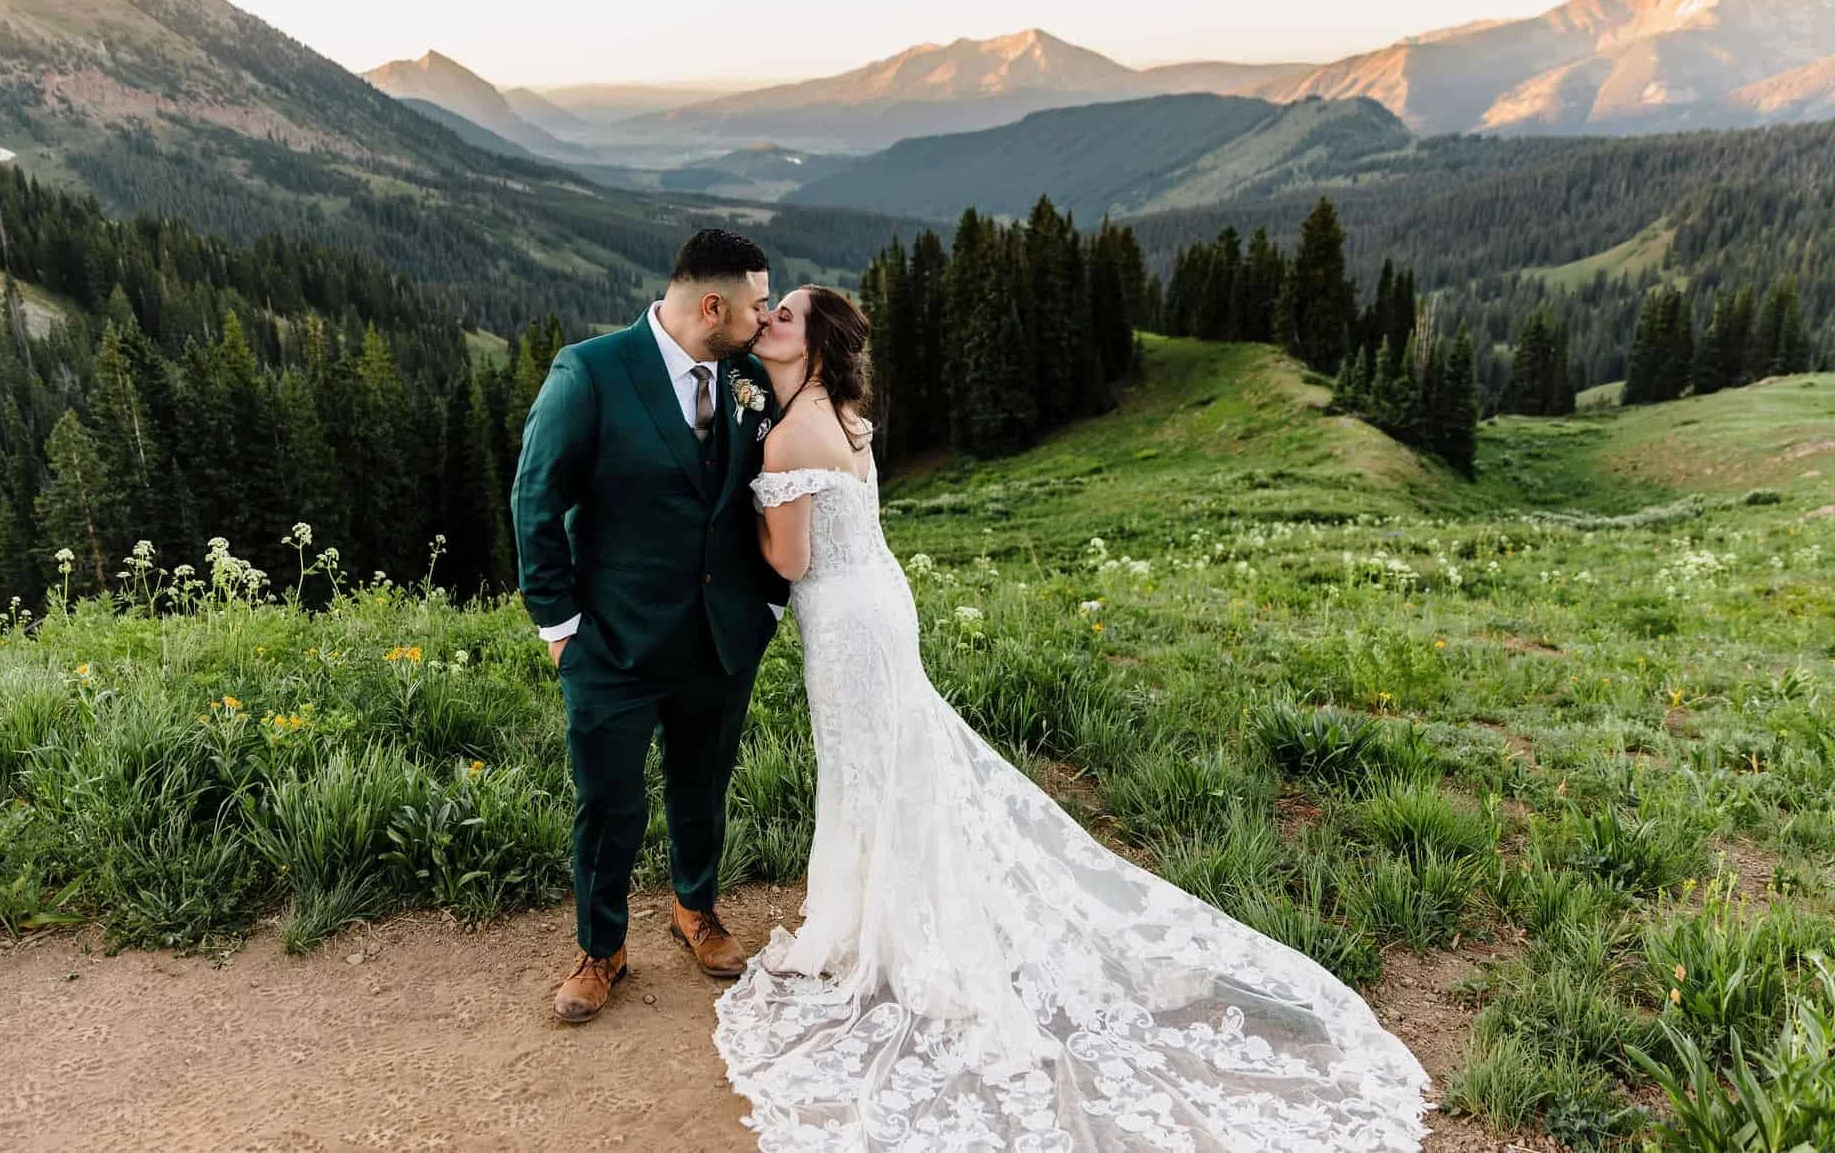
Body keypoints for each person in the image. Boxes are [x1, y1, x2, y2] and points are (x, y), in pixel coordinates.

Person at [713, 284, 1431, 1150]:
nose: (768, 321)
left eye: (785, 314)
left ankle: (877, 921)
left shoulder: (790, 433)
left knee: (866, 761)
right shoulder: (849, 420)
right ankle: (883, 907)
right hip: (880, 605)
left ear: (817, 347)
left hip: (843, 619)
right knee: (895, 761)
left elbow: (790, 559)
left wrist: (737, 515)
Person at [510, 228, 788, 1023]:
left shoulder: (748, 379)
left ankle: (694, 909)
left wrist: (766, 603)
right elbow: (536, 496)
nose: (765, 318)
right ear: (713, 305)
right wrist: (560, 627)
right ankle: (602, 951)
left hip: (721, 638)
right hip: (612, 644)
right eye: (758, 303)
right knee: (608, 803)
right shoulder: (590, 371)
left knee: (704, 788)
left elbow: (764, 495)